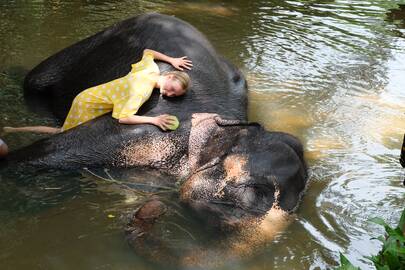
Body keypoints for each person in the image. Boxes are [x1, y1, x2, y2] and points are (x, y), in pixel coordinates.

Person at [3, 49, 192, 134]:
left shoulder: (151, 70)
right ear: (170, 77)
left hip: (89, 94)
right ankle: (14, 129)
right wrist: (154, 120)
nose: (170, 94)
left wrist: (171, 60)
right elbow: (123, 118)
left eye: (175, 95)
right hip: (87, 104)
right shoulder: (141, 91)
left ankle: (13, 128)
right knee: (60, 133)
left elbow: (148, 52)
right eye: (172, 88)